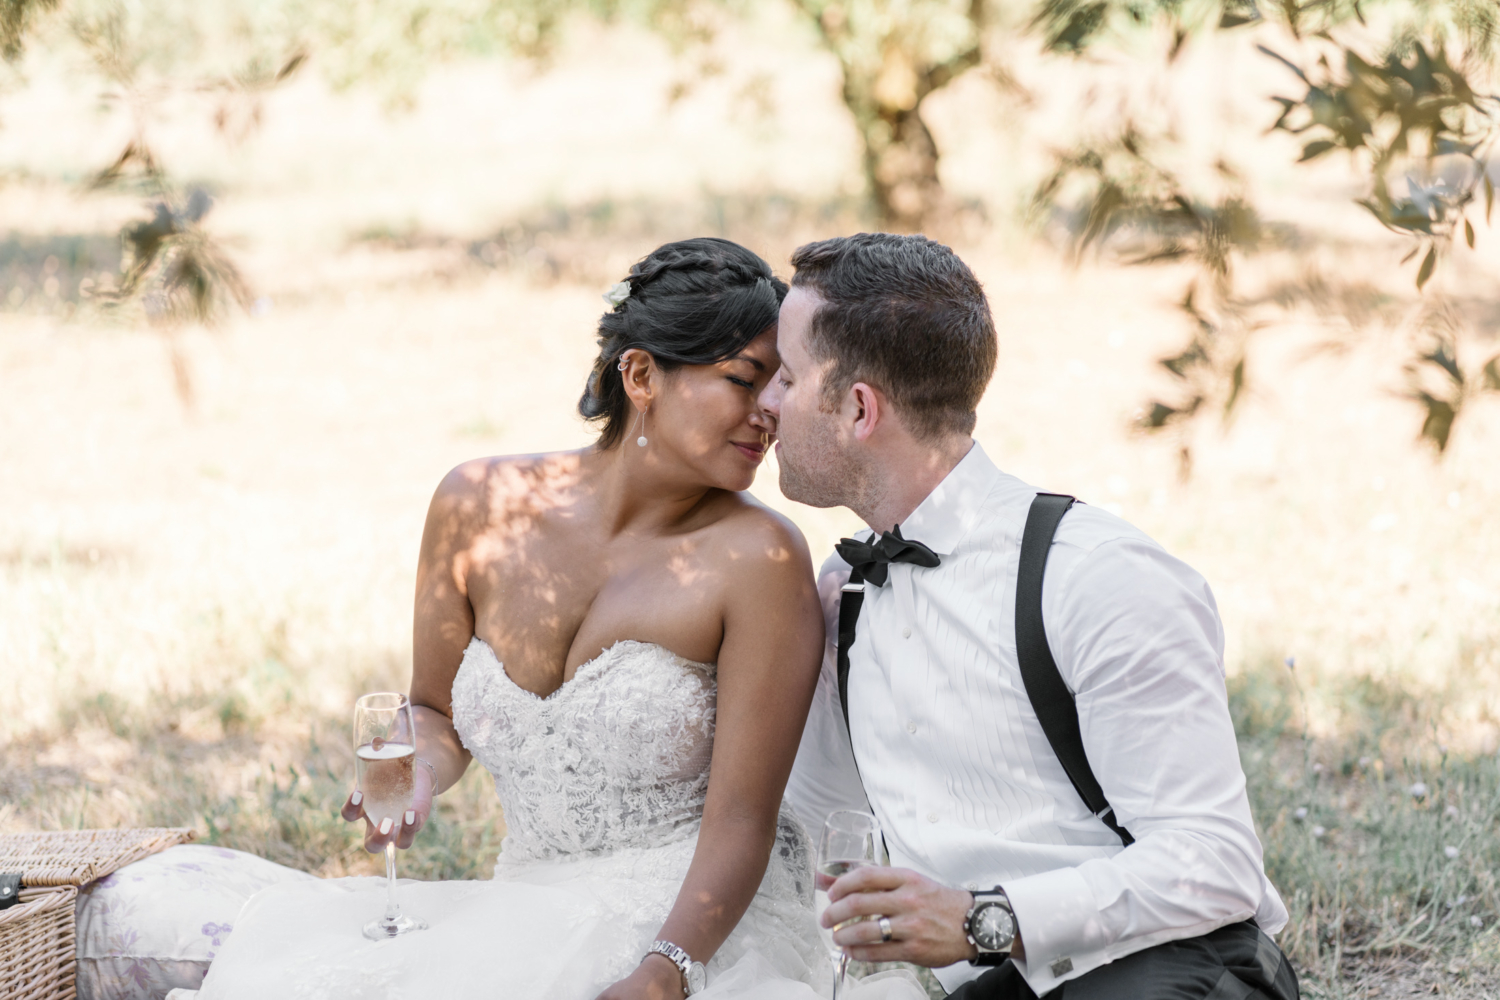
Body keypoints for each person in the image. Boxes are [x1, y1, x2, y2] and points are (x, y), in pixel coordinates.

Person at [179, 238, 925, 1000]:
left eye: (780, 384)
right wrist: (420, 773)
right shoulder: (475, 505)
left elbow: (742, 820)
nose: (770, 410)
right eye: (742, 379)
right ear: (641, 375)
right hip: (528, 904)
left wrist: (667, 971)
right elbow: (433, 710)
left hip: (699, 924)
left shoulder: (758, 557)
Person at [763, 233, 1300, 1000]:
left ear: (857, 409)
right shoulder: (842, 591)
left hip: (1160, 970)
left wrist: (989, 918)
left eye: (785, 376)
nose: (766, 402)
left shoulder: (1098, 577)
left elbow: (1214, 865)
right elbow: (817, 819)